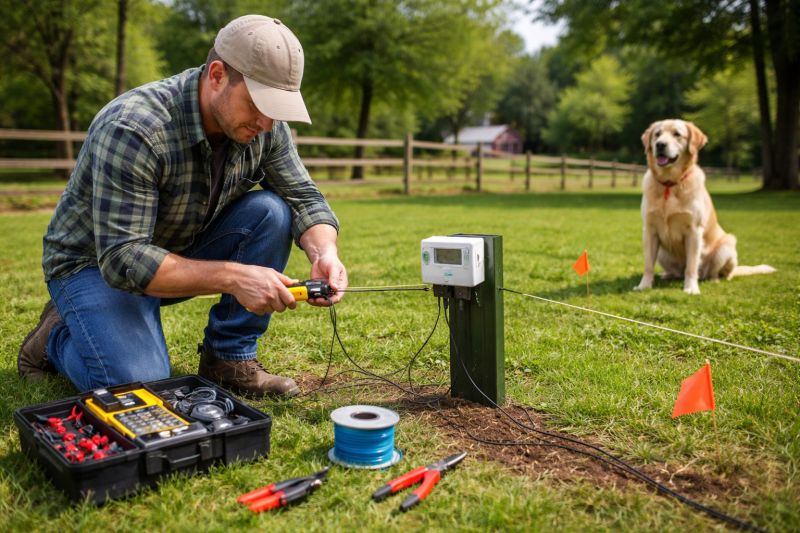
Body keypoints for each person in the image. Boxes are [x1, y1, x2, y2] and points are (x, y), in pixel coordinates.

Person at [17, 14, 347, 398]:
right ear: (218, 75)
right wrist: (235, 277)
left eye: (279, 108)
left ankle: (229, 358)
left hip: (177, 246)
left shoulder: (265, 128)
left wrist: (325, 252)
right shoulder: (135, 127)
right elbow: (124, 258)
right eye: (259, 102)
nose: (267, 121)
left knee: (272, 212)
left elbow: (303, 197)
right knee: (141, 384)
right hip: (96, 265)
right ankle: (55, 336)